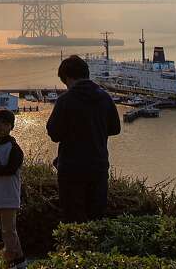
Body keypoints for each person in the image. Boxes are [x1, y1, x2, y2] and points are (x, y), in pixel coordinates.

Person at [45, 54, 121, 223]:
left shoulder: (65, 100)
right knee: (97, 218)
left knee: (73, 218)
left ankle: (75, 248)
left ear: (67, 78)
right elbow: (115, 129)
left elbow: (54, 134)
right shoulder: (105, 98)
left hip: (71, 169)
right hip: (99, 166)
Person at [0, 108, 26, 268]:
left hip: (9, 194)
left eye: (5, 124)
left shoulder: (14, 148)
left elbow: (10, 169)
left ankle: (10, 260)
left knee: (8, 230)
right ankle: (20, 259)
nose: (1, 127)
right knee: (6, 229)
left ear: (11, 126)